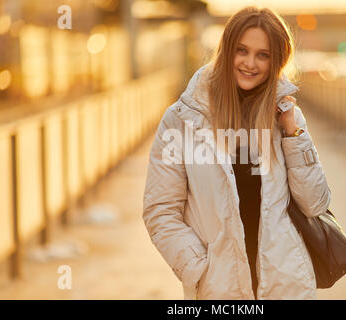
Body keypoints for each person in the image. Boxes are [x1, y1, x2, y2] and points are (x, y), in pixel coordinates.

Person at [142, 6, 331, 300]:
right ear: (226, 50)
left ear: (276, 61)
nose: (250, 63)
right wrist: (199, 269)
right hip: (219, 290)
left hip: (285, 288)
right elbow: (161, 210)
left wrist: (293, 133)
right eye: (241, 50)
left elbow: (315, 203)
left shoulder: (287, 119)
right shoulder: (182, 120)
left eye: (263, 55)